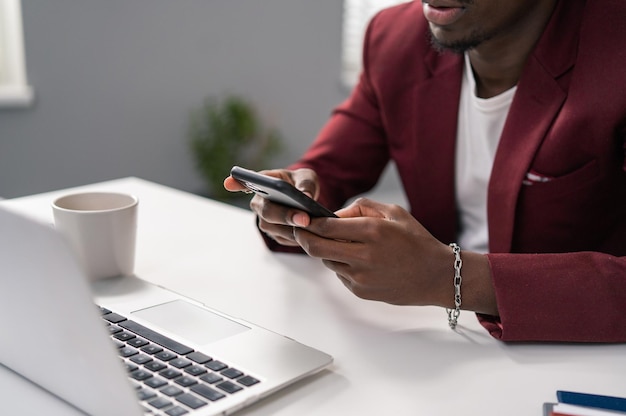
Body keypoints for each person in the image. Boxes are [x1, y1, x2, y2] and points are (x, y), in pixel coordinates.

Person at [224, 0, 626, 342]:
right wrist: (297, 203)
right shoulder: (396, 37)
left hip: (579, 359)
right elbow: (327, 168)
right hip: (434, 346)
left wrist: (449, 277)